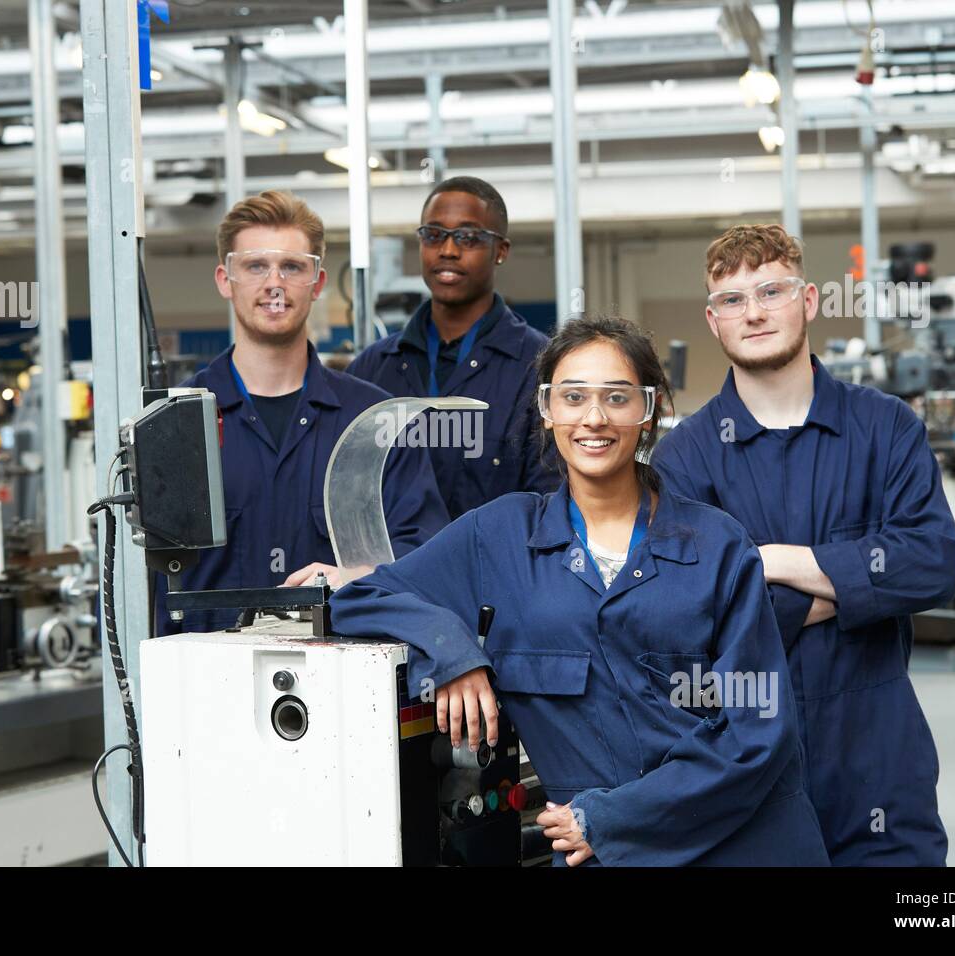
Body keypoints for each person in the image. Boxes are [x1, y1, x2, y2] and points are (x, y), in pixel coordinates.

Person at [331, 315, 829, 866]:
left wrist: (611, 819)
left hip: (745, 845)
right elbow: (362, 597)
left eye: (617, 397)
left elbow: (757, 730)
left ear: (649, 410)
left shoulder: (716, 546)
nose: (593, 418)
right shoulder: (497, 536)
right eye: (572, 397)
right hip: (604, 853)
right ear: (547, 410)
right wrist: (452, 652)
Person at [650, 224, 955, 866]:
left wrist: (777, 564)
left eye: (771, 290)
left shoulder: (885, 428)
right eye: (733, 300)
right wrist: (857, 591)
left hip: (877, 750)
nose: (754, 311)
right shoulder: (685, 458)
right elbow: (691, 616)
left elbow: (931, 564)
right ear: (713, 321)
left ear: (810, 301)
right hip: (746, 754)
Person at [155, 191, 449, 635]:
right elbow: (141, 581)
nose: (275, 283)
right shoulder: (172, 426)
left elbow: (427, 551)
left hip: (341, 675)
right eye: (255, 266)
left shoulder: (373, 422)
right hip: (205, 685)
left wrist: (358, 575)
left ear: (316, 281)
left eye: (292, 267)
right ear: (224, 278)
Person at [347, 176, 558, 518]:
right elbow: (347, 490)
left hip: (493, 569)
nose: (448, 250)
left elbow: (548, 504)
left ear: (500, 251)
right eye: (433, 234)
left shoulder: (538, 369)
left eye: (468, 237)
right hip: (393, 571)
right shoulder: (372, 369)